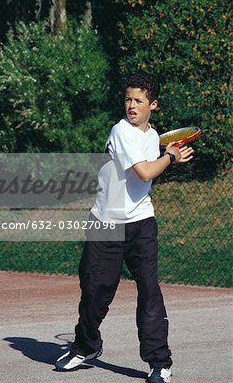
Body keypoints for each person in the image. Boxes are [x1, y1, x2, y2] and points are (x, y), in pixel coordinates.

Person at [55, 71, 194, 383]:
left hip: (142, 225)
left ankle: (160, 363)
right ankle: (86, 346)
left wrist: (168, 157)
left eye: (139, 100)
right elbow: (146, 172)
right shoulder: (121, 130)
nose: (132, 105)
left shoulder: (151, 136)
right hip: (105, 224)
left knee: (149, 292)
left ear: (152, 104)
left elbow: (148, 171)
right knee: (94, 291)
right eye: (128, 99)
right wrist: (169, 158)